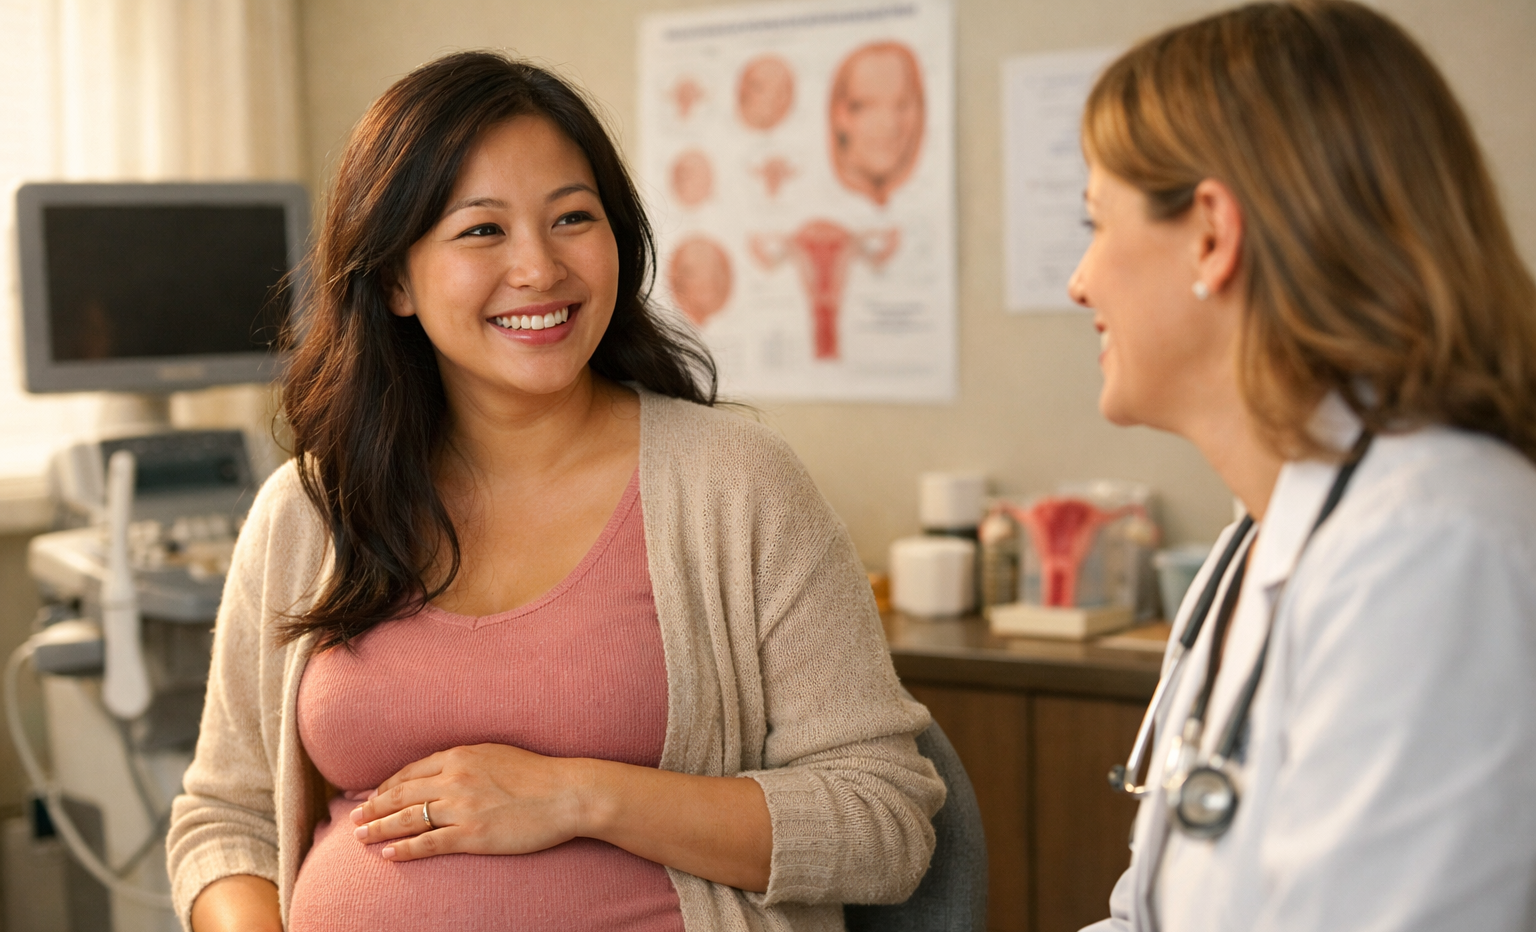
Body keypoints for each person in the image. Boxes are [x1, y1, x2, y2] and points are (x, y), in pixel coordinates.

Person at [167, 52, 944, 932]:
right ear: (393, 279)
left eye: (573, 217)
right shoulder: (310, 511)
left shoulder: (736, 483)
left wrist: (577, 796)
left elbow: (883, 822)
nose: (539, 268)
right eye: (482, 230)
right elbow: (224, 820)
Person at [1067, 3, 1536, 930]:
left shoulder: (1431, 550)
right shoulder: (1265, 533)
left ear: (1211, 235)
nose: (1081, 281)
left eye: (1097, 222)